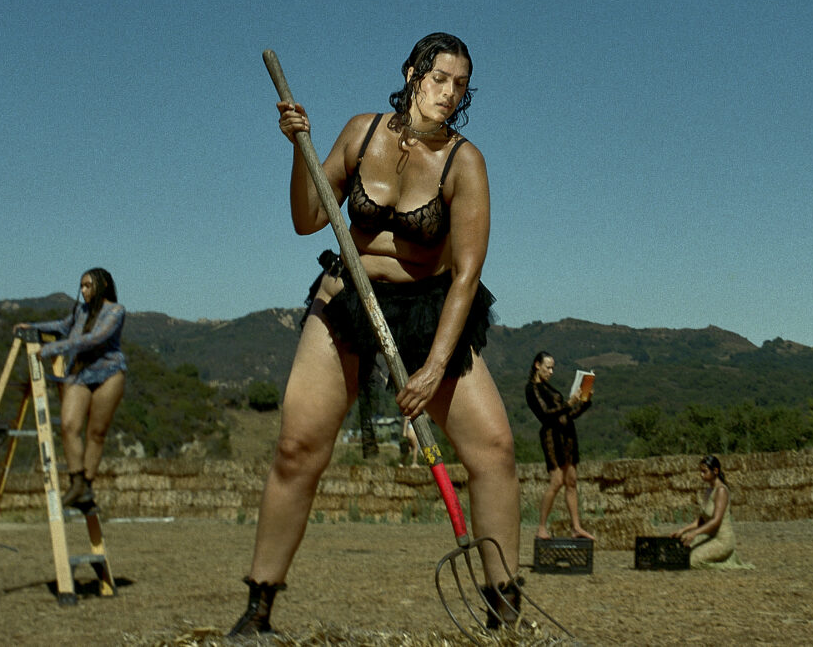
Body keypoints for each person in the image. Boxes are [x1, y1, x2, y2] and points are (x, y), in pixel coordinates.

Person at [229, 33, 520, 636]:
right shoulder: (362, 133)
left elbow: (466, 275)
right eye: (439, 78)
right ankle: (259, 608)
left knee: (494, 450)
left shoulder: (465, 161)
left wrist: (433, 368)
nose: (449, 93)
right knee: (297, 448)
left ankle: (505, 608)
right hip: (349, 295)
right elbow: (308, 219)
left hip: (429, 307)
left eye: (460, 84)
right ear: (412, 73)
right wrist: (298, 149)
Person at [13, 267, 126, 509]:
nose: (84, 290)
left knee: (96, 432)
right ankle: (76, 482)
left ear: (103, 285)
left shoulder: (115, 311)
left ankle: (87, 486)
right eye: (82, 286)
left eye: (88, 286)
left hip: (108, 374)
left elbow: (95, 338)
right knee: (68, 426)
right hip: (79, 373)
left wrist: (54, 349)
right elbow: (62, 326)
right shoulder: (80, 310)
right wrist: (32, 327)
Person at [525, 351, 595, 541]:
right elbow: (546, 414)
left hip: (568, 435)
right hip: (552, 436)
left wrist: (584, 402)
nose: (551, 372)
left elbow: (567, 414)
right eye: (548, 367)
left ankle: (576, 527)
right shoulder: (532, 389)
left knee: (571, 481)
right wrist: (569, 403)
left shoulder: (549, 387)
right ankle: (541, 527)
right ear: (537, 365)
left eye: (552, 368)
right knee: (556, 481)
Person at [671, 455, 753, 569]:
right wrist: (683, 530)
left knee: (691, 561)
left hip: (722, 540)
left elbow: (716, 521)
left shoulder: (721, 491)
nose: (701, 474)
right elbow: (702, 520)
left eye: (704, 471)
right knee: (682, 550)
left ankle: (726, 561)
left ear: (715, 471)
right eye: (700, 471)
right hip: (710, 536)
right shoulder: (709, 491)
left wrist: (694, 533)